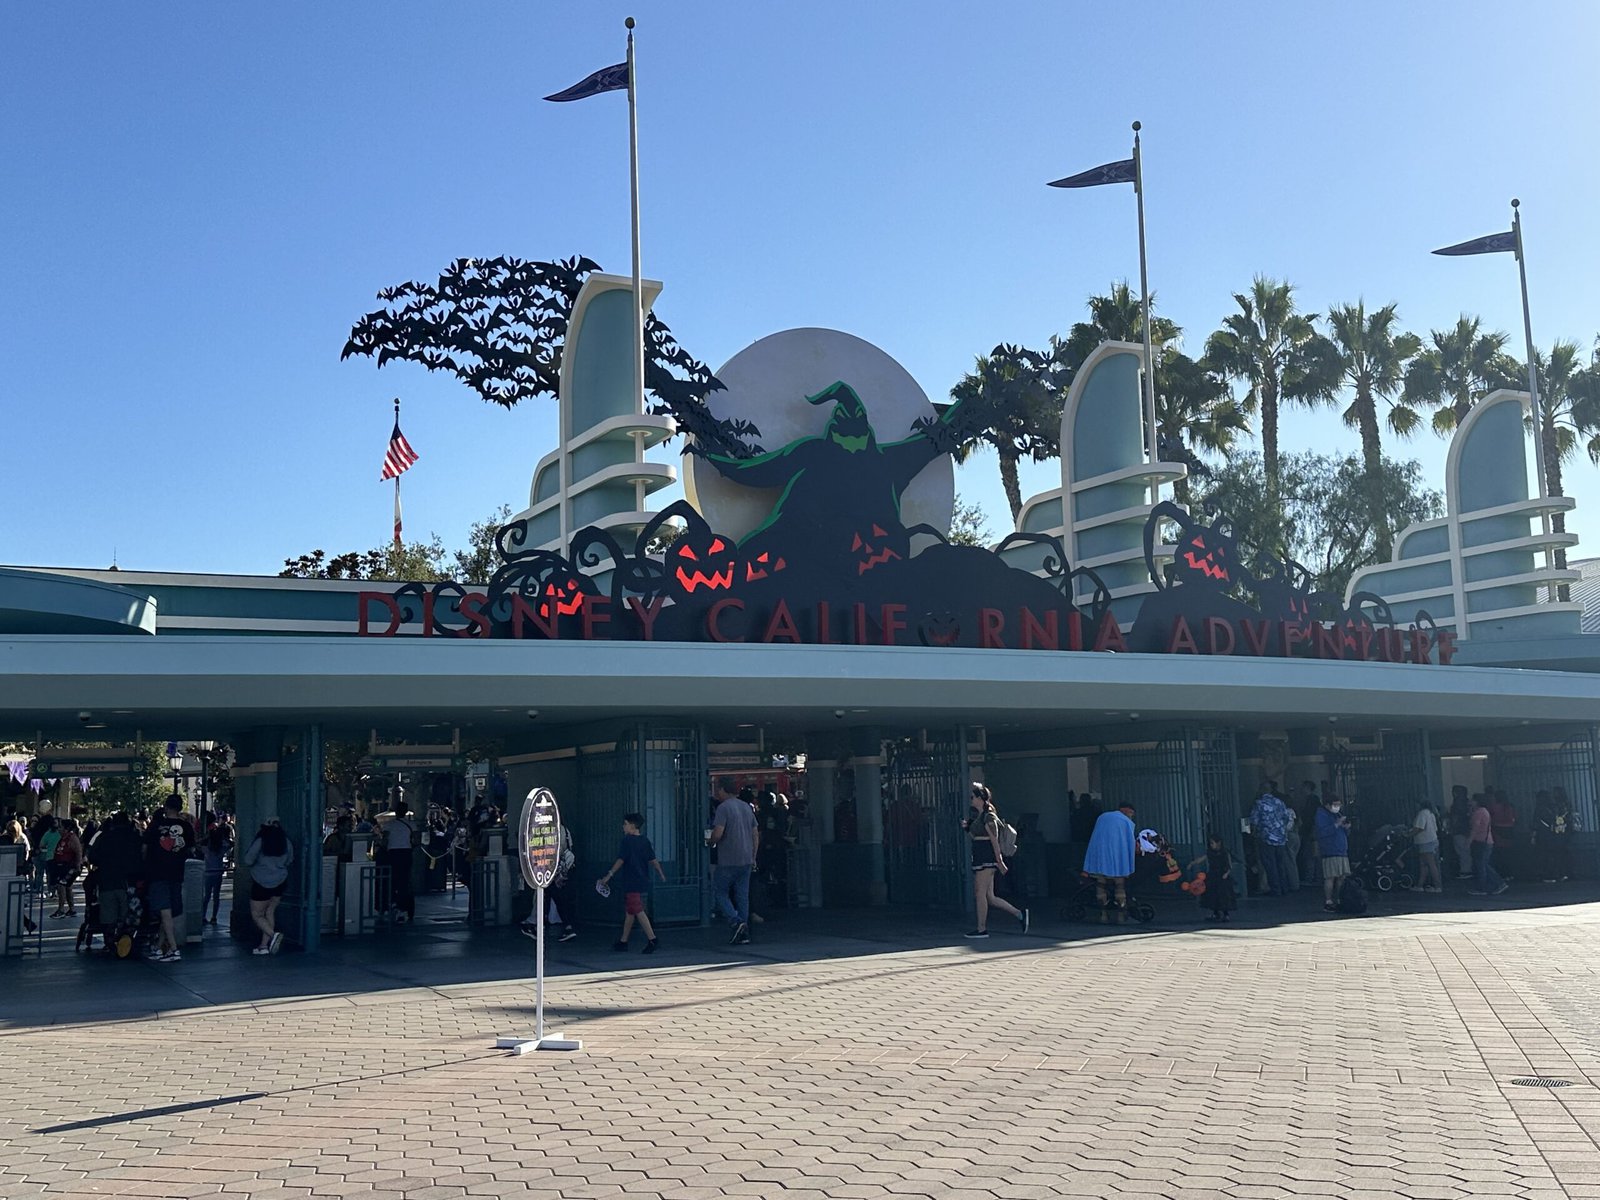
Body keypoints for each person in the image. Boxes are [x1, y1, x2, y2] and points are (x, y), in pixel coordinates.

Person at [959, 783, 1027, 939]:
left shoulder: (989, 817)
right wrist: (968, 828)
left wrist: (999, 861)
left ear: (980, 798)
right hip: (982, 856)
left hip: (986, 859)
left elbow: (994, 840)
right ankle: (1019, 914)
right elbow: (976, 837)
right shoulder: (980, 817)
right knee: (990, 896)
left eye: (973, 797)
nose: (971, 800)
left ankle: (981, 929)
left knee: (979, 893)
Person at [597, 812, 667, 953]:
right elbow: (652, 860)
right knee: (630, 910)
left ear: (632, 826)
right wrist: (661, 873)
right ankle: (623, 941)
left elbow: (621, 860)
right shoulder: (645, 841)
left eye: (625, 824)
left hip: (631, 879)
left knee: (637, 909)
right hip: (642, 879)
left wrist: (608, 875)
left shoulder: (627, 841)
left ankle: (652, 939)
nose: (623, 826)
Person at [143, 795, 196, 962]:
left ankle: (173, 948)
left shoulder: (156, 826)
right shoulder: (186, 827)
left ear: (166, 807)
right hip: (177, 872)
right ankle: (159, 947)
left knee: (164, 910)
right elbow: (192, 848)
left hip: (158, 872)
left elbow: (144, 848)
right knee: (170, 911)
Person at [710, 776, 758, 945]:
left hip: (728, 858)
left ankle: (735, 921)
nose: (716, 792)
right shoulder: (746, 807)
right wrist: (753, 856)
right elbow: (755, 833)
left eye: (717, 789)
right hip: (746, 858)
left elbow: (718, 833)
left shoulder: (723, 808)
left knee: (720, 892)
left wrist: (710, 842)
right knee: (742, 896)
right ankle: (744, 932)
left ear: (723, 789)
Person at [87, 811, 143, 949]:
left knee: (109, 915)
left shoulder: (104, 837)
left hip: (107, 880)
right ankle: (126, 941)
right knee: (128, 915)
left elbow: (92, 856)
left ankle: (110, 941)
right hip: (129, 882)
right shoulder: (135, 837)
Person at [242, 818, 294, 954]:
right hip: (280, 881)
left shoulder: (261, 841)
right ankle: (264, 946)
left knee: (257, 914)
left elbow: (248, 860)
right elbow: (290, 859)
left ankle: (273, 935)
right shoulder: (285, 842)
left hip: (260, 882)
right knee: (270, 911)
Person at [1082, 801, 1137, 923]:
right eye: (1131, 814)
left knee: (1100, 884)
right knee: (1119, 885)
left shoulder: (1102, 817)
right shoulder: (1126, 822)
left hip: (1100, 857)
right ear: (1128, 811)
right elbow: (1129, 842)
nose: (1131, 817)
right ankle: (1121, 916)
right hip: (1118, 859)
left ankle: (1103, 915)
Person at [1249, 783, 1295, 897]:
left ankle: (1275, 889)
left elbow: (1254, 821)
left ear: (1261, 790)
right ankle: (1284, 887)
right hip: (1281, 838)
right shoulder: (1279, 802)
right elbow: (1286, 817)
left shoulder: (1259, 804)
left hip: (1266, 838)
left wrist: (1255, 832)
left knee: (1270, 864)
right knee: (1280, 863)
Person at [1314, 795, 1352, 913]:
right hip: (1330, 850)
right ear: (1327, 805)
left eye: (1339, 805)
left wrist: (1346, 827)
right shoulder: (1321, 815)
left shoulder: (1338, 814)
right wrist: (1336, 824)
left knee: (1342, 876)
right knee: (1330, 877)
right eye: (1335, 805)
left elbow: (1345, 831)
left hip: (1341, 849)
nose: (1337, 807)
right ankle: (1328, 901)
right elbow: (1322, 832)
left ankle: (1340, 899)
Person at [381, 799, 416, 923]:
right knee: (405, 881)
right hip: (406, 853)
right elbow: (415, 840)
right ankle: (405, 906)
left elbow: (384, 840)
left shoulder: (389, 825)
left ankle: (394, 904)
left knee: (393, 881)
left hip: (393, 853)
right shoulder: (411, 825)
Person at [1189, 831, 1236, 922]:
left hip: (1222, 876)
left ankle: (1226, 914)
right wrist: (1192, 863)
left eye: (1212, 843)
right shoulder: (1210, 853)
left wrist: (1226, 874)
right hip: (1212, 875)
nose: (1211, 845)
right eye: (1210, 843)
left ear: (1218, 843)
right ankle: (1215, 913)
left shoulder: (1225, 852)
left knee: (1223, 896)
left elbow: (1229, 865)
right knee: (1212, 895)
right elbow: (1201, 859)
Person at [1467, 793, 1508, 896]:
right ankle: (1495, 884)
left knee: (1482, 865)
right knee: (1484, 864)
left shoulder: (1479, 812)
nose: (1470, 802)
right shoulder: (1484, 811)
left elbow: (1475, 828)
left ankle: (1487, 886)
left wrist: (1469, 840)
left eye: (1473, 800)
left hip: (1481, 842)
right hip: (1487, 841)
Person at [50, 817, 84, 918]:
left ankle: (61, 910)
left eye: (60, 827)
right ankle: (72, 909)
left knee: (62, 885)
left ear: (65, 828)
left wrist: (77, 866)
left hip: (70, 866)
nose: (58, 829)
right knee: (68, 887)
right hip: (61, 866)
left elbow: (78, 852)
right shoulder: (63, 838)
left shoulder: (72, 838)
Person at [1407, 801, 1443, 894]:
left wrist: (1408, 835)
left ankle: (1437, 886)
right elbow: (1435, 828)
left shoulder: (1422, 813)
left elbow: (1419, 828)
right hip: (1432, 840)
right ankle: (1420, 885)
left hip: (1425, 842)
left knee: (1430, 864)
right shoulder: (1431, 813)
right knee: (1425, 864)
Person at [201, 823, 229, 925]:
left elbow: (198, 844)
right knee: (216, 896)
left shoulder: (206, 849)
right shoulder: (221, 849)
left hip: (208, 872)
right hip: (218, 872)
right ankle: (214, 917)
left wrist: (208, 837)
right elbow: (230, 843)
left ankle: (203, 915)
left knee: (207, 896)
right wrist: (222, 837)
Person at [1447, 786, 1473, 879]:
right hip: (1467, 830)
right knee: (1465, 851)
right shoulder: (1468, 803)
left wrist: (1451, 828)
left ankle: (1466, 871)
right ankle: (1467, 869)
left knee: (1462, 851)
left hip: (1458, 830)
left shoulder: (1456, 804)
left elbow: (1454, 818)